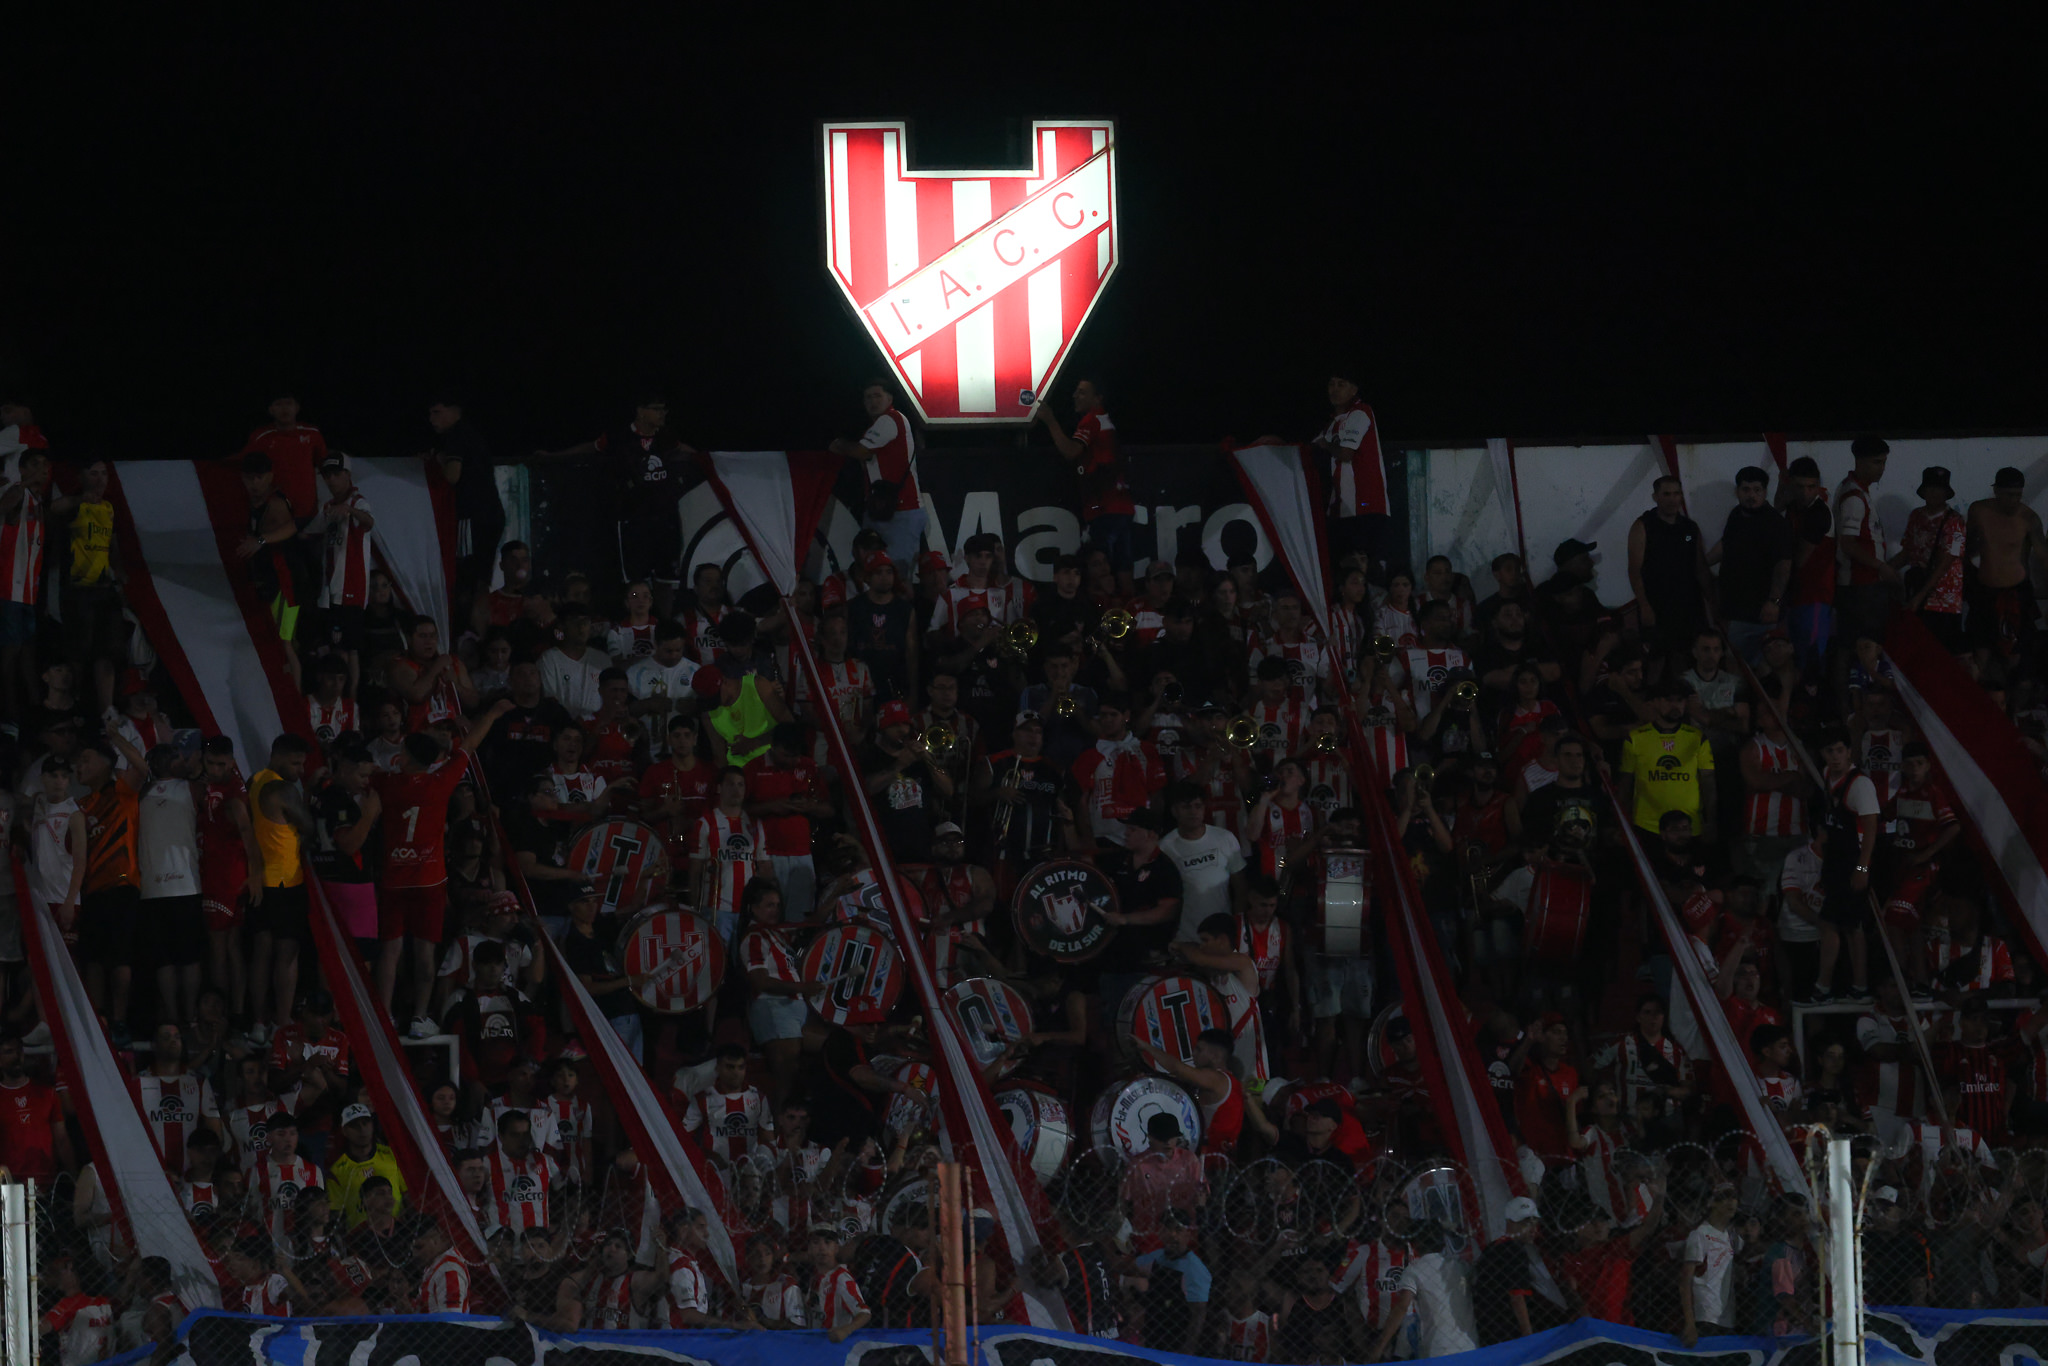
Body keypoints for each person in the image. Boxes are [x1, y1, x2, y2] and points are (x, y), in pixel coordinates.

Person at [376, 699, 514, 1034]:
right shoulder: (441, 781)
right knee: (425, 952)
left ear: (406, 757)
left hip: (394, 880)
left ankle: (383, 1015)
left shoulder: (386, 783)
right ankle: (420, 1017)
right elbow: (470, 744)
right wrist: (493, 713)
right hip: (429, 882)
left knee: (391, 952)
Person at [1799, 727, 1880, 1004]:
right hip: (1835, 859)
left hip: (1852, 862)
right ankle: (1856, 986)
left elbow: (1871, 831)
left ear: (1849, 752)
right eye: (1829, 751)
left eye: (1839, 750)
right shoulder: (1826, 775)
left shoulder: (1861, 785)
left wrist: (1862, 869)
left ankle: (1826, 986)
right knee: (1848, 926)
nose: (1835, 757)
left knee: (1836, 924)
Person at [1036, 379, 1133, 594]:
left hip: (1103, 508)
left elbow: (1071, 451)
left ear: (1097, 398)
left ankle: (1102, 612)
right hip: (1121, 507)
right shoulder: (1105, 420)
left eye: (1081, 392)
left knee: (1099, 568)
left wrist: (1050, 420)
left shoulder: (1091, 420)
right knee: (1123, 570)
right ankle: (1127, 611)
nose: (1074, 396)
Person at [830, 378, 922, 575]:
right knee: (877, 573)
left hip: (900, 511)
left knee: (893, 575)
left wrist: (840, 445)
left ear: (890, 398)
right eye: (868, 397)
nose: (873, 401)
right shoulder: (882, 423)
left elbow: (861, 451)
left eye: (877, 396)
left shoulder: (889, 419)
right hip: (885, 509)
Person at [1709, 465, 1795, 661]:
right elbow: (1726, 544)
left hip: (1761, 611)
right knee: (1735, 663)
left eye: (1757, 490)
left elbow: (1783, 565)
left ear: (1764, 491)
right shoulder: (1736, 515)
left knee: (1761, 664)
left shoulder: (1775, 523)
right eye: (1746, 490)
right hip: (1734, 608)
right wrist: (1703, 563)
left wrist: (1773, 602)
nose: (1751, 495)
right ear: (1737, 491)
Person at [1966, 465, 2048, 665]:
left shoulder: (2028, 518)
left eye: (2018, 495)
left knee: (2015, 653)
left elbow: (2044, 557)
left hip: (2015, 591)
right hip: (1984, 589)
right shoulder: (1979, 511)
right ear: (1996, 491)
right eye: (2009, 495)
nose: (2014, 500)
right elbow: (1968, 546)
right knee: (1981, 648)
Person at [1627, 474, 1713, 661]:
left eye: (1676, 494)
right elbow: (1634, 571)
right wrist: (1645, 606)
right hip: (1657, 604)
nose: (1672, 499)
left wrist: (1713, 602)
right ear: (1655, 497)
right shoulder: (1643, 526)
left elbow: (1700, 568)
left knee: (1691, 657)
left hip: (1688, 604)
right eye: (1666, 494)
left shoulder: (1689, 528)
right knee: (1656, 659)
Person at [1371, 1219, 1476, 1360]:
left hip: (1439, 1350)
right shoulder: (1459, 1266)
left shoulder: (1414, 1270)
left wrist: (1379, 1347)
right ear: (1442, 1242)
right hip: (1469, 1347)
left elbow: (1402, 1307)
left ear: (1414, 1244)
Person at [1833, 436, 1899, 651]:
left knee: (1855, 646)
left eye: (1884, 462)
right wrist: (1880, 567)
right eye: (1876, 462)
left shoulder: (1855, 490)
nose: (1882, 469)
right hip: (1861, 585)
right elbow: (1848, 544)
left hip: (1861, 584)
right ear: (1859, 462)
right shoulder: (1854, 497)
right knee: (1866, 647)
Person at [1899, 465, 1967, 651]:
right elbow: (1907, 552)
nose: (1934, 493)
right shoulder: (1916, 516)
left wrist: (1919, 596)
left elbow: (1947, 561)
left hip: (1945, 600)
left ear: (1946, 493)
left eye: (1939, 489)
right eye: (1931, 488)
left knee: (1941, 651)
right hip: (1919, 596)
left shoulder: (1956, 521)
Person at [1132, 1209, 1211, 1355]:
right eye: (1168, 1229)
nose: (1172, 1235)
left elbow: (1198, 1314)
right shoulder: (1157, 1257)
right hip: (1152, 1342)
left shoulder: (1194, 1268)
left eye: (1178, 1230)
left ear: (1187, 1234)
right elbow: (1129, 1267)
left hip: (1176, 1347)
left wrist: (1188, 1349)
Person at [1677, 1185, 1744, 1345]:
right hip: (1705, 1316)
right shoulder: (1700, 1234)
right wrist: (1690, 1323)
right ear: (1711, 1203)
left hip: (1727, 1318)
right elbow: (1685, 1281)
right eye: (1724, 1197)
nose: (1731, 1202)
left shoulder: (1733, 1238)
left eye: (1734, 1197)